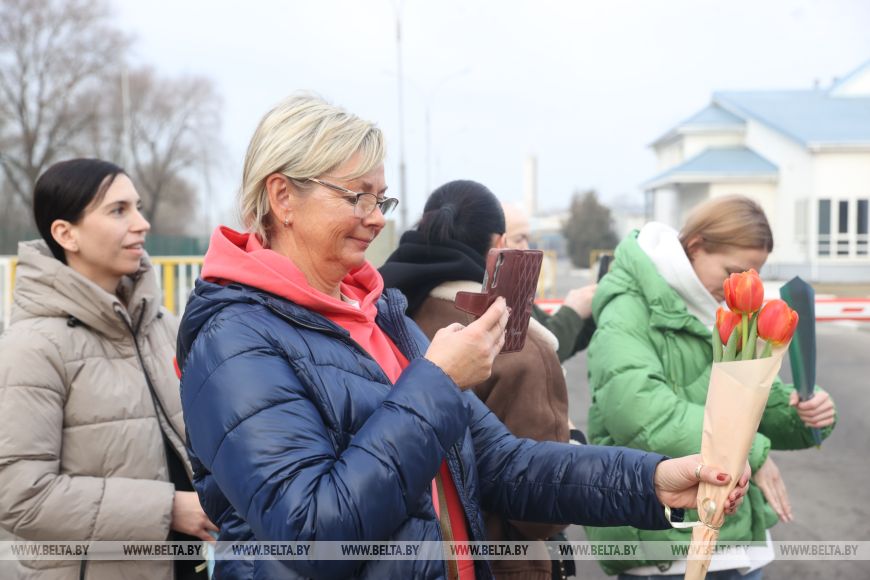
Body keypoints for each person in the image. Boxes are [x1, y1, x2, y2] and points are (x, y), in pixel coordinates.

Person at [176, 93, 749, 580]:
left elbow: (506, 465)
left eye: (382, 198)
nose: (377, 217)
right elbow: (314, 528)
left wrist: (651, 482)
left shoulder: (377, 314)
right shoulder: (235, 337)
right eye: (357, 196)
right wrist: (439, 381)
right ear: (282, 198)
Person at [584, 195, 837, 579]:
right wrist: (752, 452)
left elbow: (751, 399)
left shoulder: (717, 305)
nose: (741, 284)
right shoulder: (627, 307)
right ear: (697, 246)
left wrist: (803, 411)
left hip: (739, 548)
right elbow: (641, 415)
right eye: (733, 271)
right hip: (665, 549)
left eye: (754, 274)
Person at [0, 159, 216, 580]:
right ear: (66, 233)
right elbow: (20, 497)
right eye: (119, 211)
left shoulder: (164, 327)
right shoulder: (31, 348)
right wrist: (169, 509)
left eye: (136, 206)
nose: (142, 223)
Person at [380, 180, 577, 580]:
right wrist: (575, 444)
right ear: (500, 243)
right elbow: (541, 511)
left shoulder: (383, 317)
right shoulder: (518, 344)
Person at [501, 202, 596, 362]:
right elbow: (543, 355)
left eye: (527, 239)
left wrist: (590, 316)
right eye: (519, 239)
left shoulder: (515, 292)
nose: (526, 248)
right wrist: (573, 311)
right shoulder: (499, 299)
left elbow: (556, 338)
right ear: (498, 242)